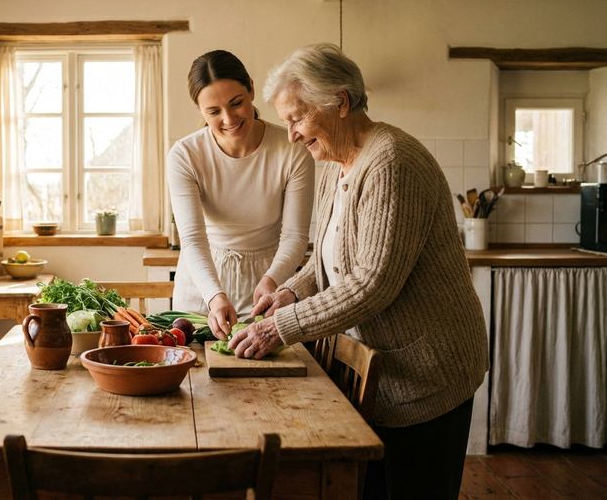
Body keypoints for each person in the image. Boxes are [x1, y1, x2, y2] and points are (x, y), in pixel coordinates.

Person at [228, 43, 489, 500]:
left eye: (297, 118)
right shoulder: (335, 163)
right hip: (389, 374)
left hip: (431, 371)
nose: (290, 135)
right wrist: (288, 293)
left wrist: (280, 328)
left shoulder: (392, 162)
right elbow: (327, 261)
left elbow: (371, 283)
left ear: (341, 103)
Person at [167, 50, 315, 339]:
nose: (229, 118)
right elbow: (194, 240)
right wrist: (214, 296)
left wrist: (272, 279)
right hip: (201, 283)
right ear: (199, 109)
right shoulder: (185, 155)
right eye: (213, 112)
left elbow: (295, 236)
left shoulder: (292, 151)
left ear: (251, 88)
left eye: (237, 103)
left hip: (268, 278)